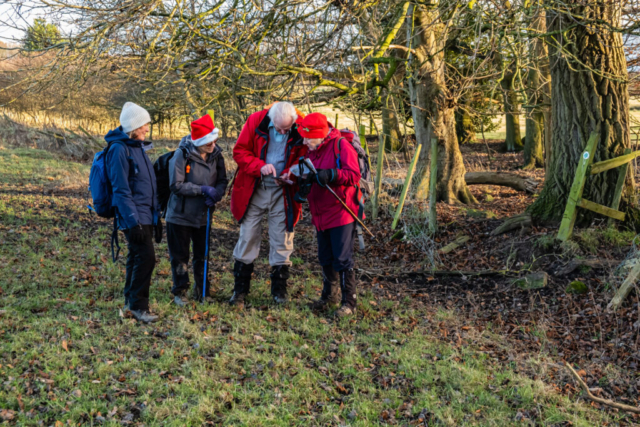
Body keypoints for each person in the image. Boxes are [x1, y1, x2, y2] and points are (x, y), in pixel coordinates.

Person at [229, 102, 308, 307]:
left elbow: (305, 156)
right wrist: (260, 166)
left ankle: (279, 292)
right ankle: (240, 291)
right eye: (279, 128)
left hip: (284, 191)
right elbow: (239, 152)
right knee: (247, 236)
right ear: (271, 119)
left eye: (286, 129)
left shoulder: (300, 125)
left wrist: (291, 171)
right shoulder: (255, 120)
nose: (282, 132)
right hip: (255, 188)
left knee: (282, 239)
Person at [296, 113, 361, 317]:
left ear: (320, 134)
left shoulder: (341, 146)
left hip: (341, 211)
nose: (304, 141)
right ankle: (328, 297)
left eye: (308, 137)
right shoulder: (311, 151)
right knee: (325, 256)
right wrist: (304, 183)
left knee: (342, 258)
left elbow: (353, 175)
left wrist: (331, 174)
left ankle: (349, 302)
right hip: (320, 212)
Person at [105, 102, 161, 323]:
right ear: (134, 126)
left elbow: (146, 184)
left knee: (137, 256)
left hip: (144, 214)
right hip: (133, 215)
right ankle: (139, 307)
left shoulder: (137, 146)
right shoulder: (120, 150)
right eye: (144, 124)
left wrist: (155, 216)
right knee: (146, 258)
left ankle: (130, 301)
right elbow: (121, 189)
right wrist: (133, 222)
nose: (147, 128)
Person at [166, 114, 228, 306]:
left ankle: (202, 291)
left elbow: (222, 180)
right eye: (208, 142)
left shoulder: (216, 155)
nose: (212, 145)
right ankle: (180, 292)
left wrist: (217, 193)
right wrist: (202, 190)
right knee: (180, 256)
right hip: (179, 215)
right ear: (198, 141)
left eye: (214, 140)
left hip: (204, 215)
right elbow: (175, 185)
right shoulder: (181, 155)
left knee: (203, 254)